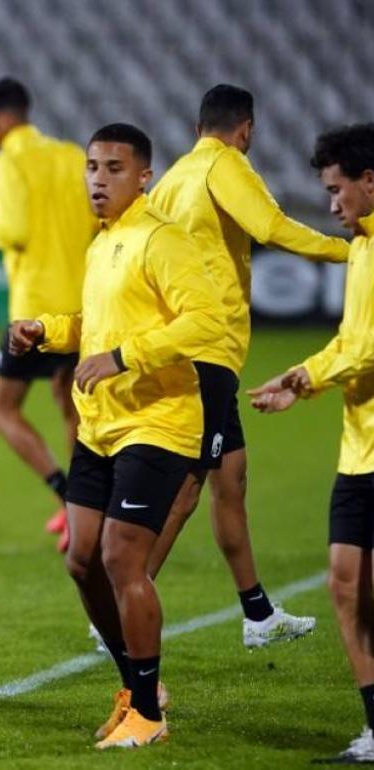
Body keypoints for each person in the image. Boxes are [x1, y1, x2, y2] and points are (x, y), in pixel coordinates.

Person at [9, 123, 224, 748]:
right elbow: (95, 324)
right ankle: (137, 686)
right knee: (81, 561)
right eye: (92, 168)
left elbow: (205, 321)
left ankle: (149, 716)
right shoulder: (102, 245)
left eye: (113, 169)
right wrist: (45, 330)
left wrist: (126, 357)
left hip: (157, 424)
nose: (98, 180)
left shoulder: (163, 241)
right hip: (101, 428)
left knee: (120, 559)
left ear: (144, 177)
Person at [147, 84, 343, 645]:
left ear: (197, 125)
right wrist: (352, 249)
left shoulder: (174, 177)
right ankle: (122, 601)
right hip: (207, 349)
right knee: (186, 487)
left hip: (182, 344)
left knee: (229, 480)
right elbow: (273, 228)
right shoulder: (225, 164)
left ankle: (257, 614)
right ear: (246, 129)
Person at [248, 123, 373, 762]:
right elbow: (350, 343)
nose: (331, 205)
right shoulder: (361, 252)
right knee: (346, 586)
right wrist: (300, 380)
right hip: (359, 451)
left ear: (368, 181)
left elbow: (368, 348)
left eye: (336, 189)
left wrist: (307, 377)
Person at [0, 78, 95, 551]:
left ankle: (67, 496)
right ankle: (89, 505)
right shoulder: (69, 155)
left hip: (34, 311)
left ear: (4, 118)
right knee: (71, 403)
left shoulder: (9, 162)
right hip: (82, 305)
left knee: (0, 409)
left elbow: (15, 229)